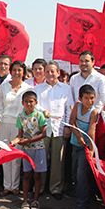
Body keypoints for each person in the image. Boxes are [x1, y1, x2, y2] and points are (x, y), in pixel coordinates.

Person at [34, 61, 73, 200]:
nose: (50, 74)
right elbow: (35, 106)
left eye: (53, 71)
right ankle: (39, 186)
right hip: (43, 128)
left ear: (58, 73)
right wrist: (42, 112)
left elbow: (69, 109)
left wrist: (68, 126)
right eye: (48, 71)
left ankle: (55, 188)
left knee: (58, 160)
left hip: (59, 128)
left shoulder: (66, 89)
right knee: (40, 158)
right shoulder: (38, 89)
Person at [0, 61, 32, 195]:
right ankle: (6, 186)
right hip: (4, 124)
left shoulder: (28, 88)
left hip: (19, 126)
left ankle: (15, 186)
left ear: (23, 72)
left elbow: (31, 107)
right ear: (11, 71)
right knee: (5, 154)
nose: (17, 73)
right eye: (14, 70)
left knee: (15, 156)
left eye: (19, 70)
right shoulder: (3, 87)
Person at [11, 91, 47, 209]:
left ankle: (35, 200)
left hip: (39, 149)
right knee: (26, 175)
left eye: (31, 101)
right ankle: (25, 200)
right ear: (22, 103)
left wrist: (28, 140)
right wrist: (15, 141)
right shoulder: (20, 117)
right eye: (26, 101)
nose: (29, 104)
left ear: (36, 102)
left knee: (37, 175)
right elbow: (20, 134)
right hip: (27, 150)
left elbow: (44, 133)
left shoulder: (39, 115)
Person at [69, 84, 99, 209]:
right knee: (75, 174)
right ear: (80, 98)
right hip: (75, 144)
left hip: (85, 148)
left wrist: (91, 149)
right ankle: (80, 202)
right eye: (86, 98)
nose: (89, 101)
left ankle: (81, 207)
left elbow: (92, 131)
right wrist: (78, 136)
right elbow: (71, 122)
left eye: (92, 98)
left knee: (82, 177)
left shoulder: (94, 112)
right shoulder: (77, 106)